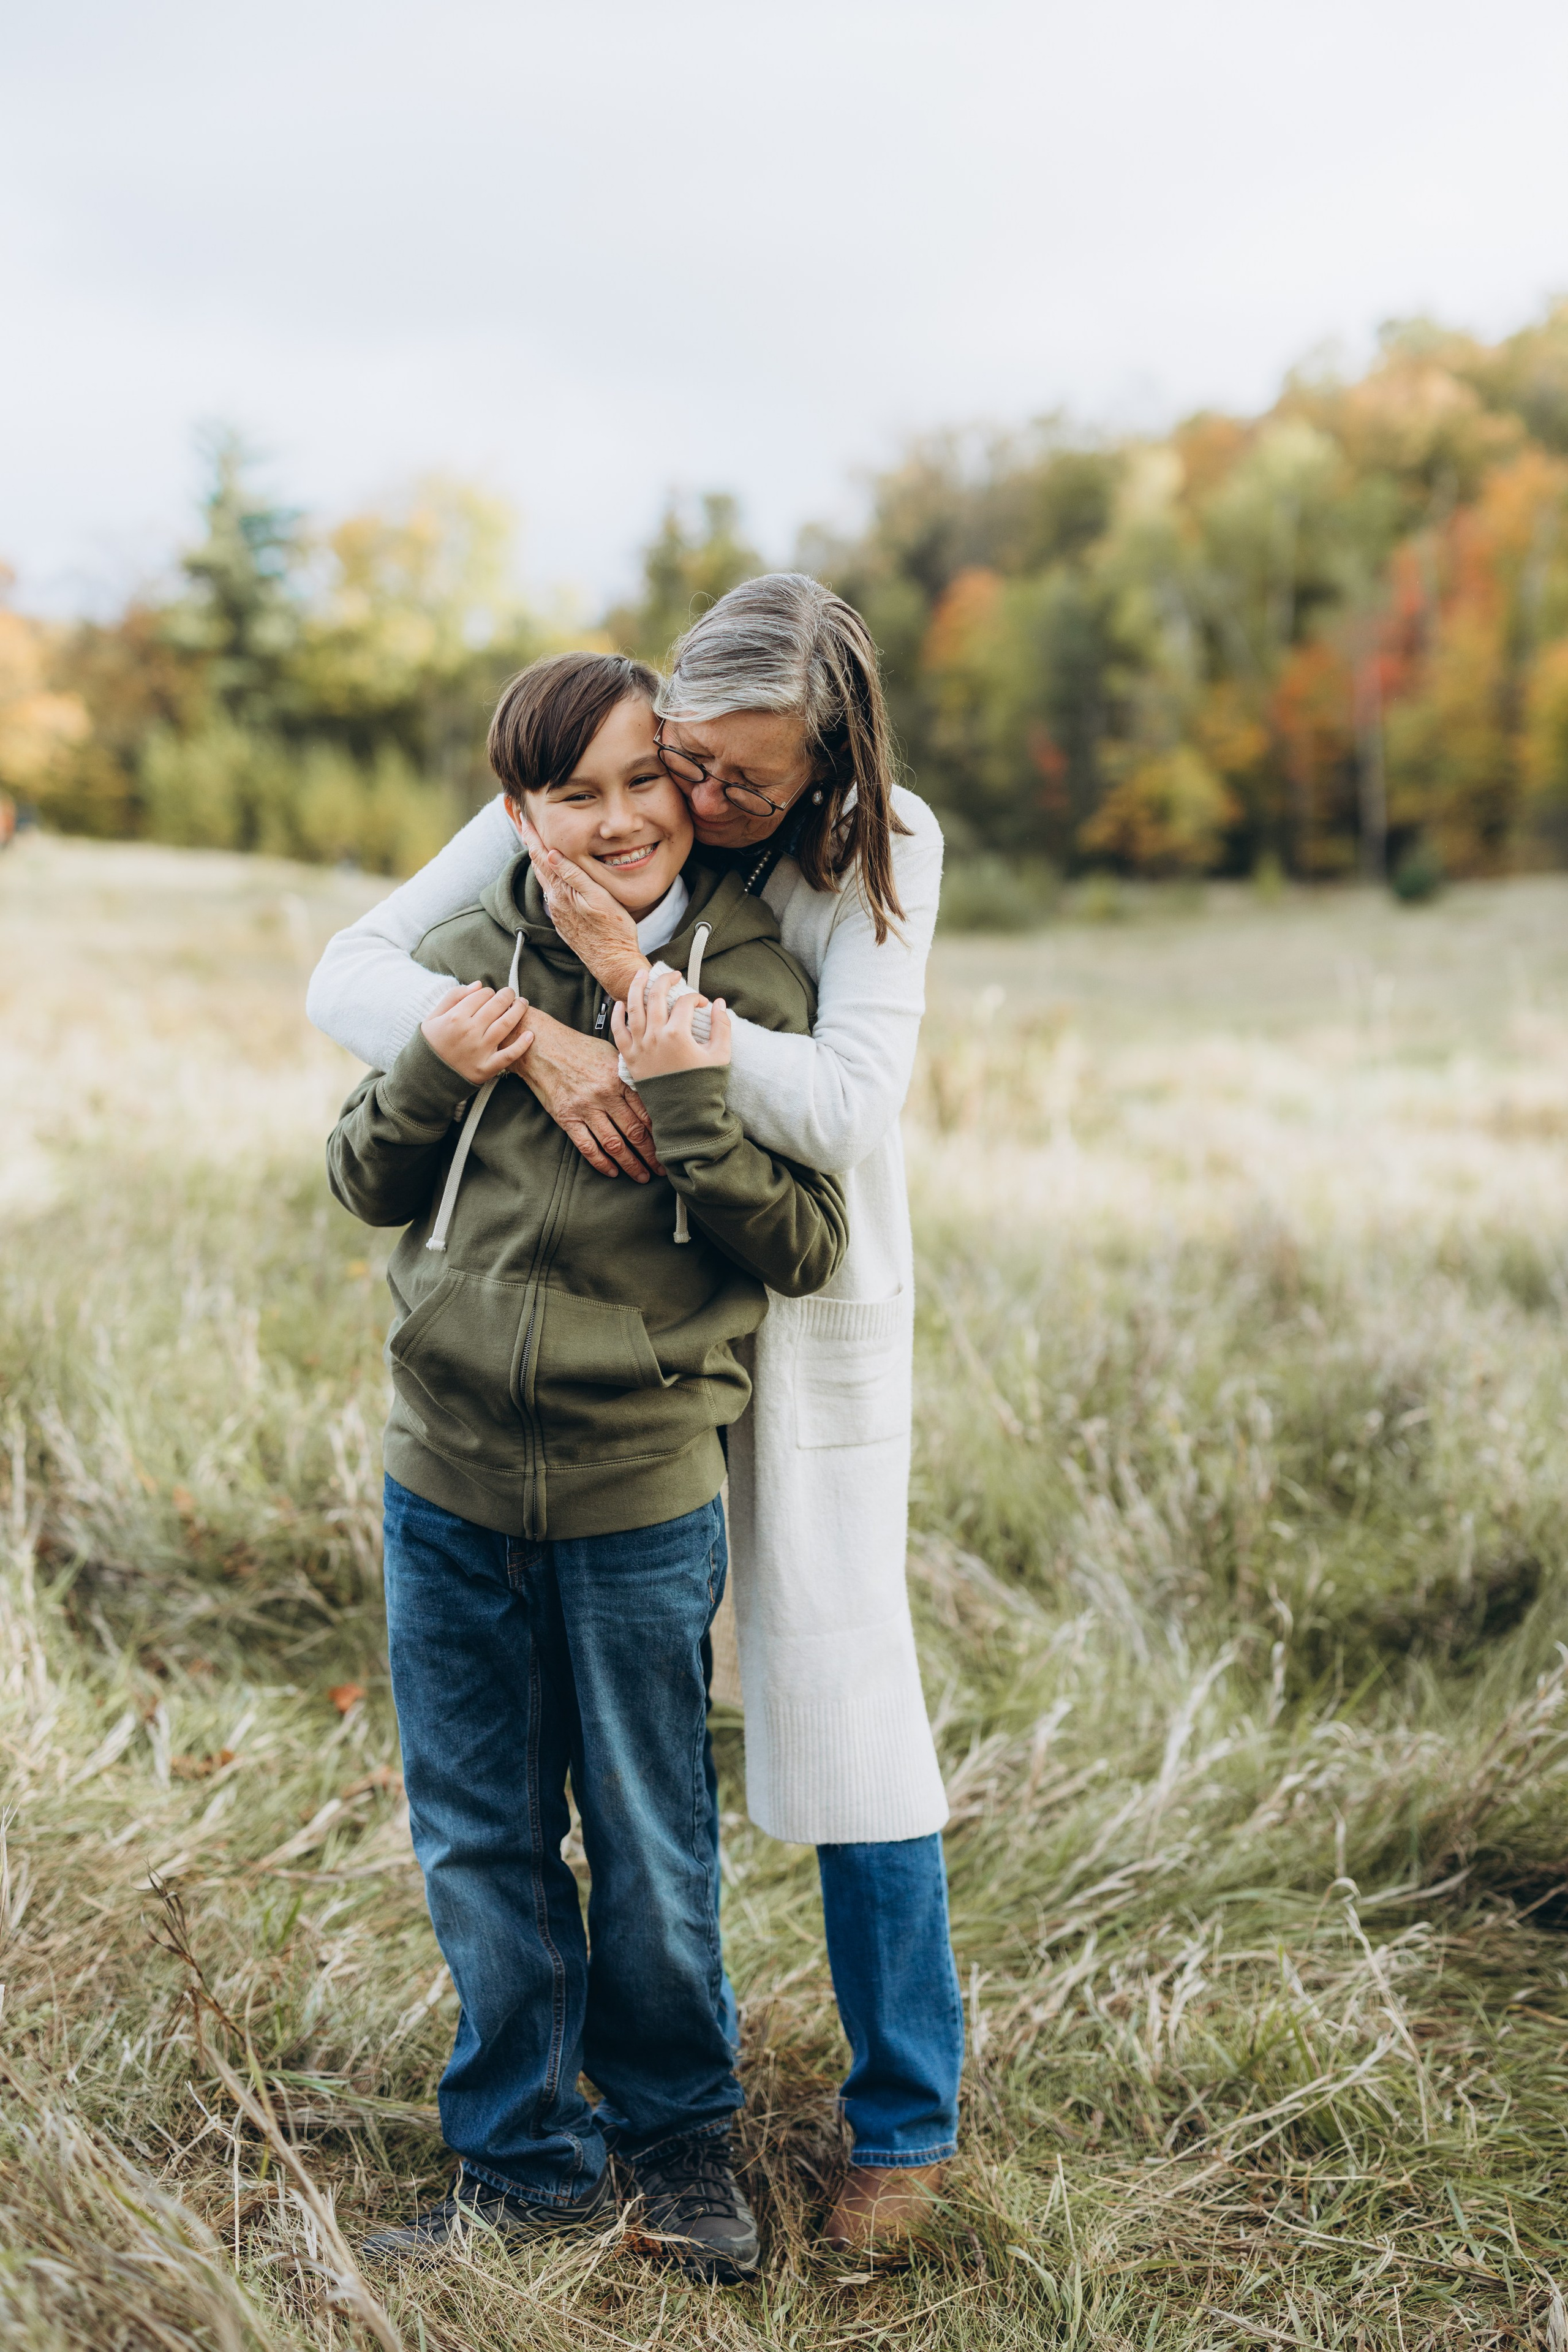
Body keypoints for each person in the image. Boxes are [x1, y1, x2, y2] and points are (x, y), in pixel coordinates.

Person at [308, 575, 963, 2257]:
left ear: (825, 759)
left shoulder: (861, 855)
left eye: (735, 781)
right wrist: (528, 1039)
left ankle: (851, 2127)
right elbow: (358, 999)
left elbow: (842, 1123)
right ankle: (522, 2163)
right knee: (488, 1824)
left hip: (734, 1357)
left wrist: (661, 1043)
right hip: (463, 1451)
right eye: (688, 760)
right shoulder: (582, 802)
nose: (693, 803)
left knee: (815, 1706)